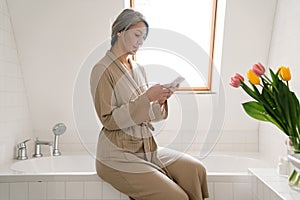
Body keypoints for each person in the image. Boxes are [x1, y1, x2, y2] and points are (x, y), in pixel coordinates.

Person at [90, 8, 209, 200]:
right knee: (176, 197)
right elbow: (109, 120)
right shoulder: (102, 69)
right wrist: (146, 98)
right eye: (137, 35)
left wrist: (159, 101)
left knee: (195, 170)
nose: (140, 42)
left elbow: (142, 113)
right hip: (116, 155)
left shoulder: (137, 67)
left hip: (144, 147)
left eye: (143, 37)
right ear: (120, 31)